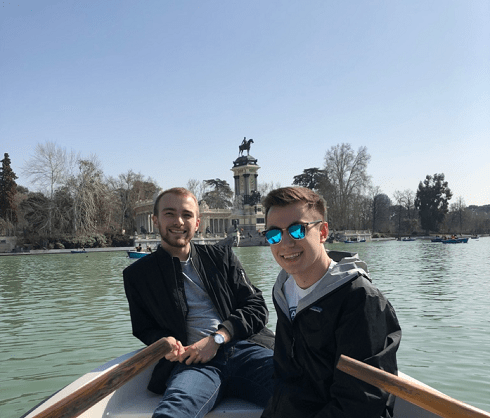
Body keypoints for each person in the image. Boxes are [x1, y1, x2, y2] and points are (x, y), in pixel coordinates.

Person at [123, 187, 274, 418]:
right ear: (155, 220)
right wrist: (163, 342)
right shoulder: (137, 275)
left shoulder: (222, 257)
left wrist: (218, 337)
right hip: (193, 363)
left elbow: (256, 307)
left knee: (305, 390)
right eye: (170, 214)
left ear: (197, 222)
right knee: (171, 414)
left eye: (187, 214)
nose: (179, 221)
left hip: (243, 349)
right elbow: (144, 328)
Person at [260, 187, 401, 418]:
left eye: (297, 230)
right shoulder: (284, 289)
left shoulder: (361, 299)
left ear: (323, 232)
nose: (285, 243)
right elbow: (284, 378)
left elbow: (361, 401)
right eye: (274, 234)